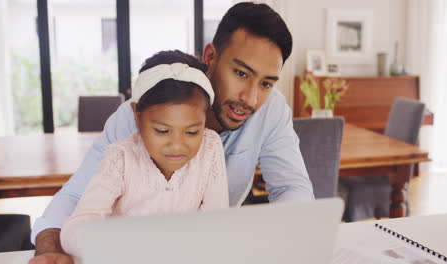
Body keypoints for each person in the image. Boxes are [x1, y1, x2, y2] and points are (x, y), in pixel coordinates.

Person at [29, 2, 314, 264]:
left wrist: (290, 242)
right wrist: (50, 248)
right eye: (241, 74)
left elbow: (292, 187)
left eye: (266, 83)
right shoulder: (144, 116)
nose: (251, 99)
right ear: (210, 57)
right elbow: (78, 196)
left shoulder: (271, 109)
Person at [59, 51, 229, 258]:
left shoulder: (210, 146)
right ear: (137, 117)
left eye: (192, 132)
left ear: (205, 119)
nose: (177, 146)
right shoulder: (120, 159)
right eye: (162, 131)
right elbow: (74, 230)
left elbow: (216, 221)